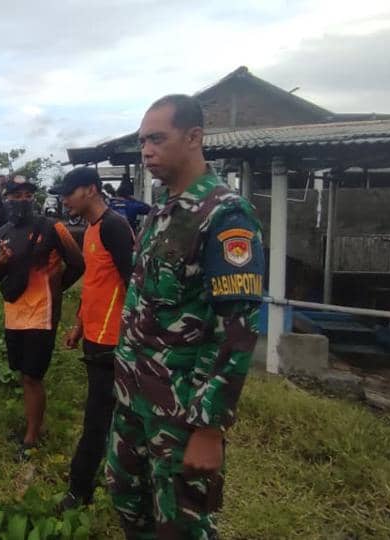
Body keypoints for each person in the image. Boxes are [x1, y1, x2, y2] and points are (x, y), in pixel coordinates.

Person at [105, 94, 265, 538]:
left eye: (157, 138)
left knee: (181, 526)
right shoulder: (161, 212)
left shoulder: (226, 216)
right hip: (135, 401)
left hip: (180, 413)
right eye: (142, 141)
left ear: (194, 137)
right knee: (128, 505)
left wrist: (209, 428)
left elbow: (237, 331)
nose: (146, 150)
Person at [48, 166, 134, 511]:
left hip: (114, 342)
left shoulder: (114, 227)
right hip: (95, 337)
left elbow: (133, 283)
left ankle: (78, 490)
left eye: (69, 192)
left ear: (91, 190)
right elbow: (95, 284)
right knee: (103, 414)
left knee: (97, 417)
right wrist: (79, 325)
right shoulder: (91, 230)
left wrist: (132, 336)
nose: (64, 199)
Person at [0, 174, 84, 460]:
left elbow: (77, 263)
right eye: (16, 196)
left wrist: (57, 287)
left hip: (41, 315)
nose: (23, 200)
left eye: (28, 195)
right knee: (22, 373)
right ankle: (31, 427)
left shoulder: (53, 228)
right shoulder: (1, 232)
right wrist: (1, 262)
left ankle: (31, 437)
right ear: (6, 198)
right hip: (14, 313)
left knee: (32, 376)